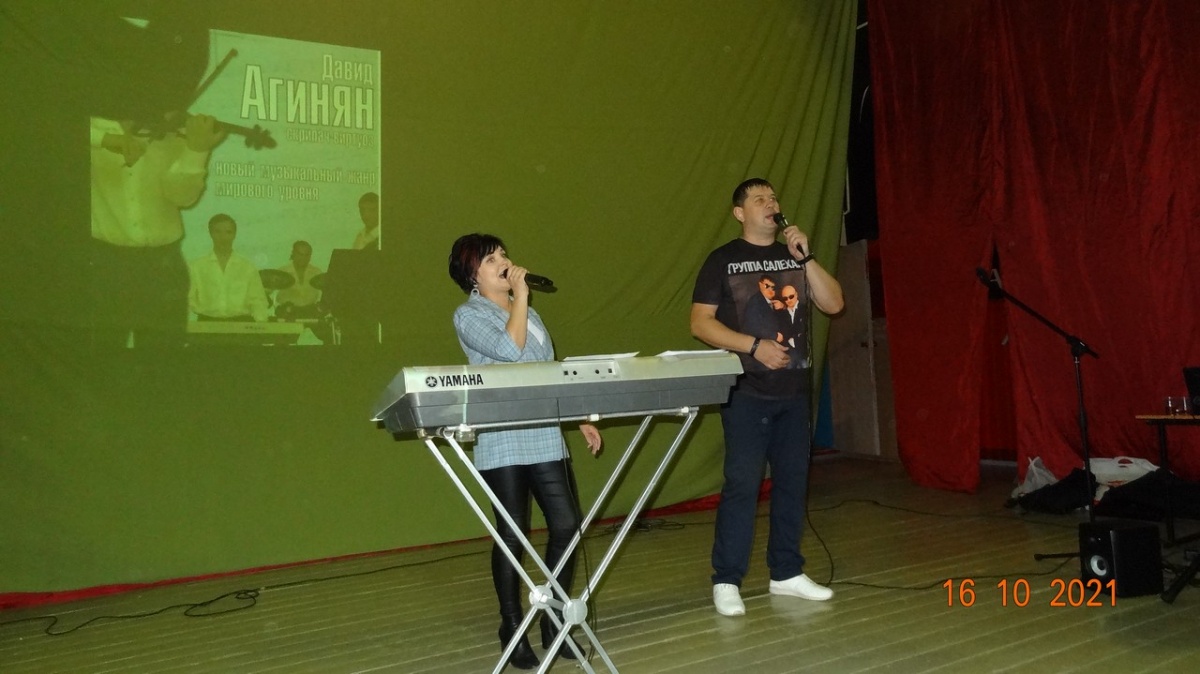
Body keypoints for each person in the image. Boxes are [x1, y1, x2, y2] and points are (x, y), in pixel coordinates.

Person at [690, 178, 844, 616]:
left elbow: (834, 304)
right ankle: (727, 579)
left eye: (773, 197)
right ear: (740, 213)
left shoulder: (794, 255)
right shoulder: (722, 260)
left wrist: (806, 257)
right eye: (759, 199)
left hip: (794, 392)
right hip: (746, 393)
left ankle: (786, 572)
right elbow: (700, 323)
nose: (770, 203)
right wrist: (753, 346)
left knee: (793, 482)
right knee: (742, 484)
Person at [448, 233, 602, 669]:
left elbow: (548, 369)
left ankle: (554, 620)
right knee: (512, 534)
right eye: (491, 259)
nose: (504, 261)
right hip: (503, 435)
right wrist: (520, 299)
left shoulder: (528, 312)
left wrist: (579, 415)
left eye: (503, 254)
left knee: (566, 524)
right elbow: (508, 350)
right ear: (472, 276)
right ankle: (512, 626)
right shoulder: (468, 314)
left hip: (545, 432)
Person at [90, 113, 227, 346]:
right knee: (100, 355)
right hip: (103, 262)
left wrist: (196, 151)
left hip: (163, 266)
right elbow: (51, 131)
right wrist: (105, 139)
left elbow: (180, 197)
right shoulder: (91, 121)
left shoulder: (171, 126)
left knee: (164, 358)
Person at [187, 213, 269, 322]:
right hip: (207, 324)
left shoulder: (247, 267)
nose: (223, 237)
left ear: (234, 234)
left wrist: (261, 326)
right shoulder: (196, 267)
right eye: (217, 232)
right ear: (210, 233)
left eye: (228, 232)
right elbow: (188, 299)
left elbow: (258, 301)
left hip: (241, 325)